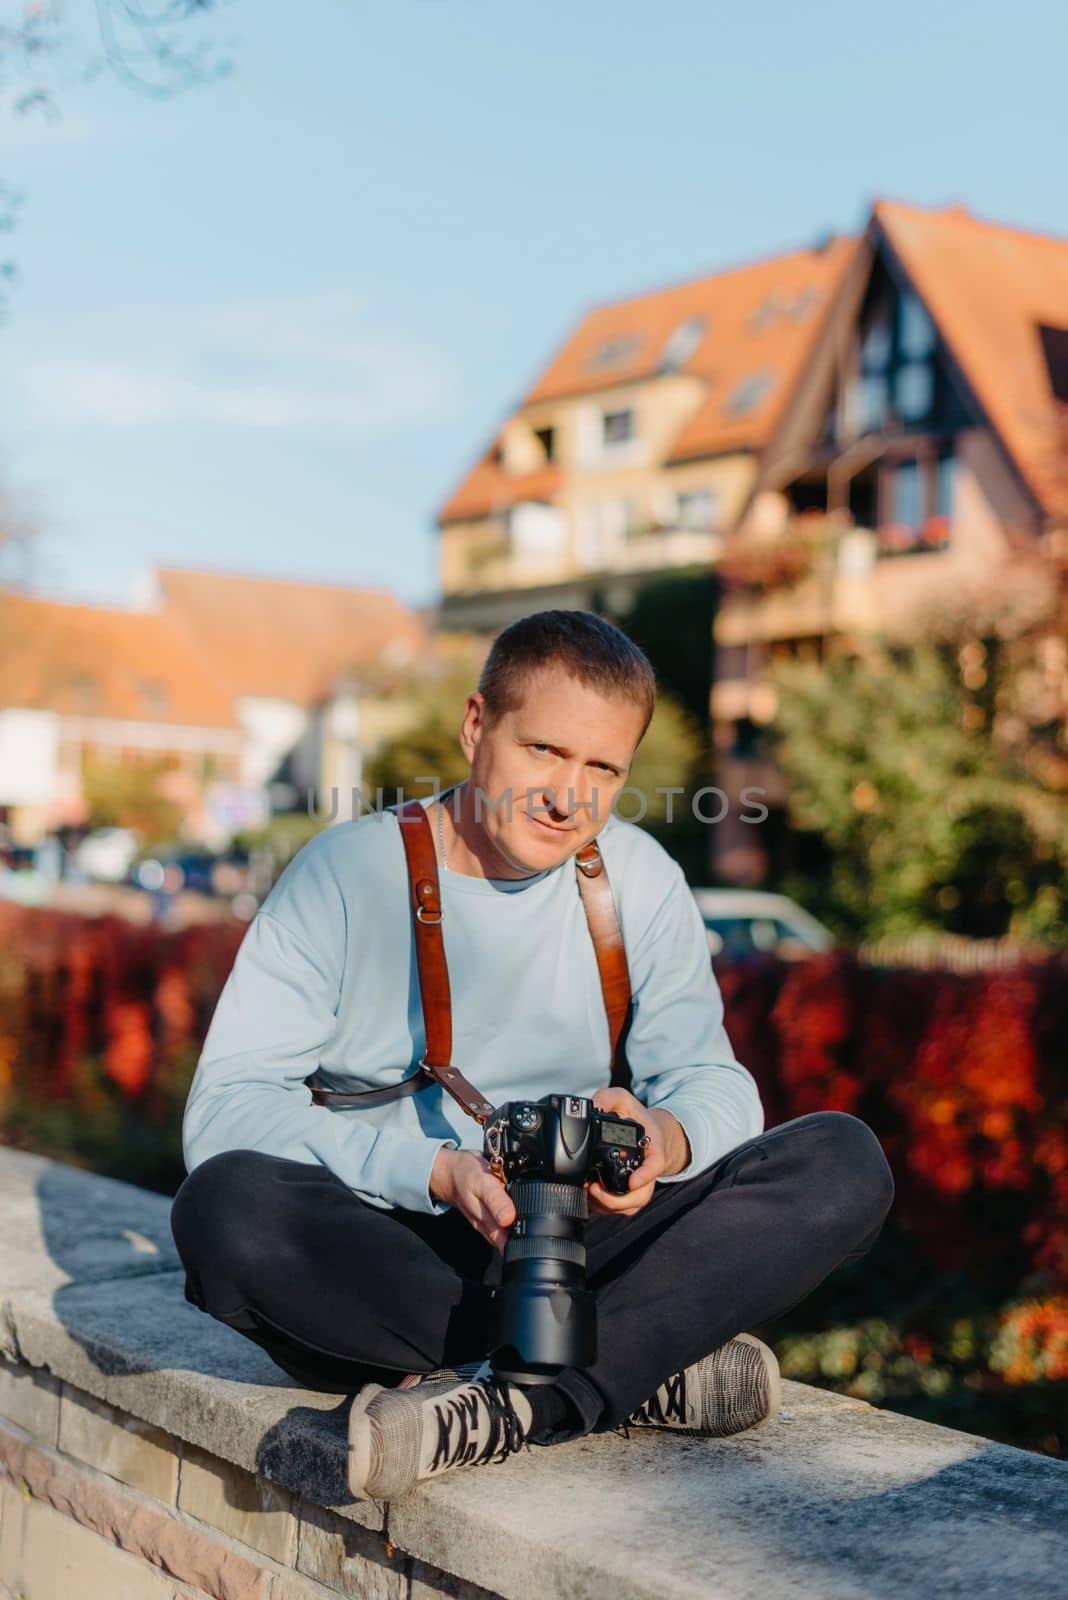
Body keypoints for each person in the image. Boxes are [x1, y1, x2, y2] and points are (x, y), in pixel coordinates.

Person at [170, 609, 894, 1501]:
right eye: (544, 751)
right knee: (225, 1210)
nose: (568, 797)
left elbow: (712, 1082)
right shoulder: (346, 873)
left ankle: (505, 1406)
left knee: (841, 1161)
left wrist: (660, 1138)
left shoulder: (638, 879)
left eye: (603, 769)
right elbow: (225, 1110)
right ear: (477, 726)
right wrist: (431, 1170)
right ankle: (630, 1366)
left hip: (584, 1242)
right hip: (401, 1246)